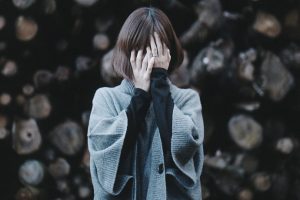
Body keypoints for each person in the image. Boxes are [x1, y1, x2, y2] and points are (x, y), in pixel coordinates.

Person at [87, 6, 205, 200]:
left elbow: (184, 144)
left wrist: (160, 86)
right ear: (127, 52)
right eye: (143, 52)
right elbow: (105, 154)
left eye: (157, 51)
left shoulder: (187, 99)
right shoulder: (106, 98)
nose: (150, 61)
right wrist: (140, 96)